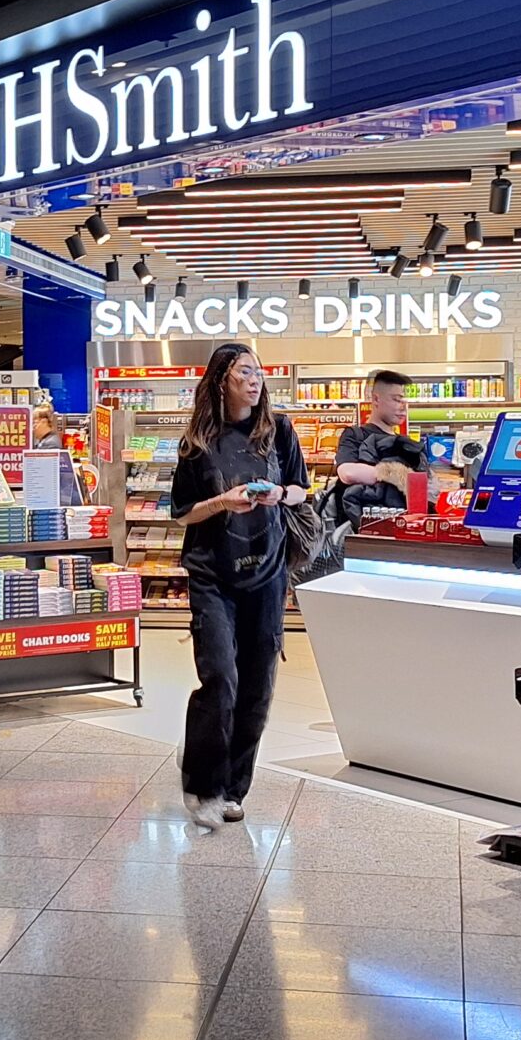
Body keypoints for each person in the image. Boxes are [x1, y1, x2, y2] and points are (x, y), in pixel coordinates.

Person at [169, 343, 307, 829]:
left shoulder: (279, 430)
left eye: (259, 372)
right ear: (221, 380)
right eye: (244, 372)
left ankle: (232, 787)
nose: (255, 380)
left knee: (257, 685)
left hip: (267, 573)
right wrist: (222, 502)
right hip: (213, 574)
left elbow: (300, 489)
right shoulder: (198, 442)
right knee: (221, 679)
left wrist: (278, 494)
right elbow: (183, 511)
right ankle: (203, 784)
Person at [330, 369, 424, 513]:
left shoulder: (407, 443)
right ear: (376, 399)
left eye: (405, 401)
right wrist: (394, 473)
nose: (403, 407)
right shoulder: (356, 435)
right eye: (396, 399)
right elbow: (347, 472)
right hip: (364, 526)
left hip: (405, 524)